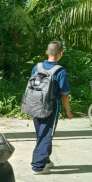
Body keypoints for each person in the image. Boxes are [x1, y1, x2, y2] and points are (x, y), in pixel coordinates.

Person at [30, 40, 72, 175]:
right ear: (61, 54)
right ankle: (38, 166)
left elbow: (32, 86)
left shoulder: (37, 67)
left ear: (47, 52)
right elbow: (64, 94)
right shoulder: (60, 71)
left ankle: (46, 160)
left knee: (41, 132)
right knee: (47, 133)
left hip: (35, 104)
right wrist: (68, 111)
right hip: (51, 106)